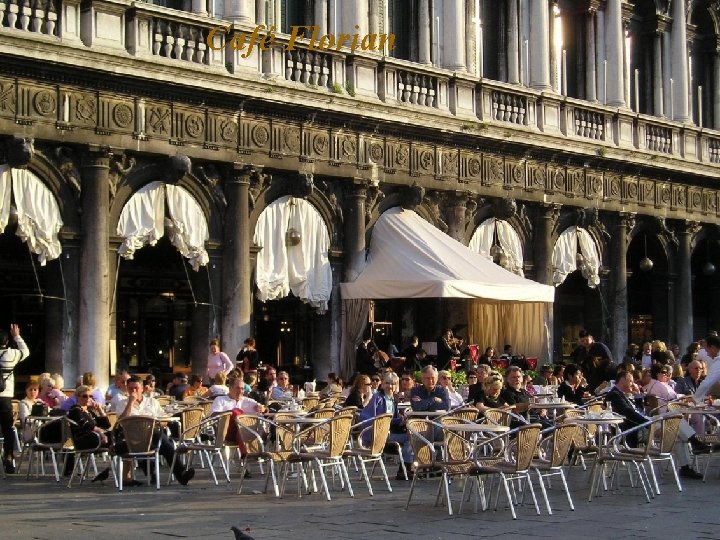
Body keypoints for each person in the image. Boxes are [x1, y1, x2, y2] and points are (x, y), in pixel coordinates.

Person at [117, 376, 195, 485]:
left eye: (136, 388)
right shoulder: (122, 403)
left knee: (166, 443)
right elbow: (121, 421)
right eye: (130, 389)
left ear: (142, 389)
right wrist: (130, 403)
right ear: (127, 389)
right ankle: (179, 474)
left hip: (151, 437)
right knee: (165, 441)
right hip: (131, 440)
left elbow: (164, 419)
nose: (133, 391)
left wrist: (157, 422)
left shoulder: (152, 402)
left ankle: (181, 474)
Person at [359, 371, 414, 480]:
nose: (390, 386)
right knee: (411, 438)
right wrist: (399, 420)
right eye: (387, 383)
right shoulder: (378, 398)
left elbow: (389, 419)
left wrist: (400, 420)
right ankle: (405, 469)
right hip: (377, 435)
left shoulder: (392, 399)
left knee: (414, 435)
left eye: (393, 383)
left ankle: (405, 468)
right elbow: (380, 419)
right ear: (383, 384)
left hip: (388, 432)